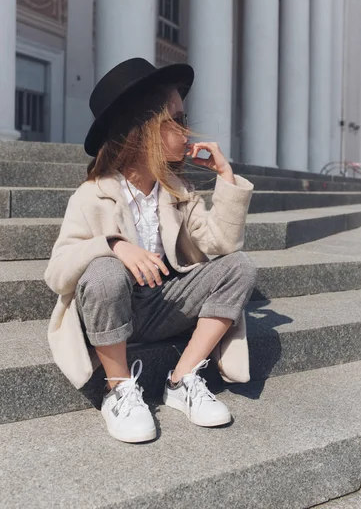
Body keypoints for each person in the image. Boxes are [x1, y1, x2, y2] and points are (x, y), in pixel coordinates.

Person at [45, 58, 257, 444]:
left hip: (165, 305)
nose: (187, 129)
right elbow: (57, 273)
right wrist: (112, 245)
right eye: (176, 119)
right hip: (111, 309)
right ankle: (119, 389)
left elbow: (221, 246)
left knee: (239, 266)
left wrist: (226, 177)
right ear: (144, 130)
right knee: (104, 270)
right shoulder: (92, 195)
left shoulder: (178, 192)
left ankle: (181, 379)